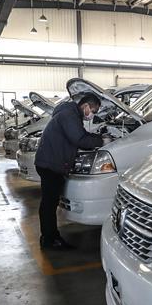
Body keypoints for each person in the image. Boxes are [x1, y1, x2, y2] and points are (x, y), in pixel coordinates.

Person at [34, 93, 104, 249]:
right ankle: (50, 240)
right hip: (50, 164)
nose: (92, 115)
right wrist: (102, 141)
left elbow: (80, 135)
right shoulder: (69, 115)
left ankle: (48, 237)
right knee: (49, 204)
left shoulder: (69, 113)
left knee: (48, 203)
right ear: (85, 106)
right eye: (94, 110)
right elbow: (79, 139)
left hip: (49, 162)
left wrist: (94, 136)